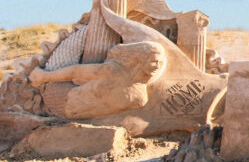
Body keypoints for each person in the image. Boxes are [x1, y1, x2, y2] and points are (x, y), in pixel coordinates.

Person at [29, 41, 166, 119]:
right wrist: (44, 76)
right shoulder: (112, 70)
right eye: (153, 61)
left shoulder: (140, 97)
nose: (158, 66)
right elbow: (76, 71)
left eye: (160, 62)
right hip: (61, 98)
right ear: (139, 59)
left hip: (73, 115)